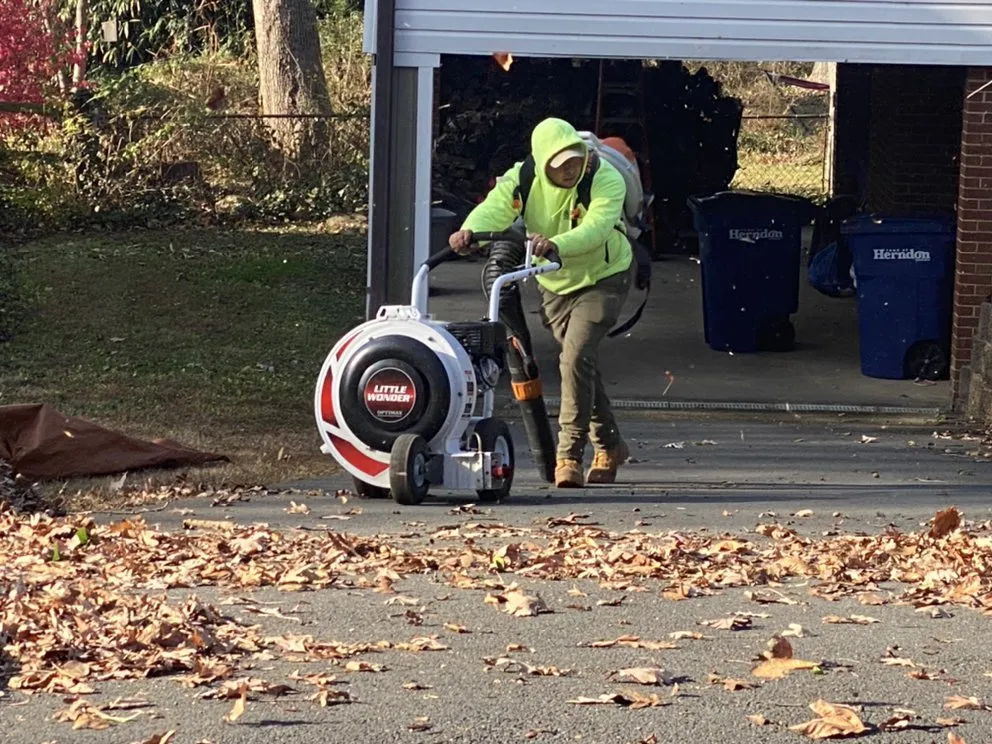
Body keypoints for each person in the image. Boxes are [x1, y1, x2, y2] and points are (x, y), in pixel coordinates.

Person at [449, 116, 633, 488]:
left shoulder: (604, 179)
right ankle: (610, 446)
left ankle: (568, 457)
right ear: (543, 161)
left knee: (575, 358)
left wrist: (557, 244)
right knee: (579, 366)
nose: (570, 169)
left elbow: (597, 229)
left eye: (575, 161)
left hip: (604, 276)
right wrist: (470, 230)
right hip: (554, 282)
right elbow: (496, 209)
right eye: (561, 164)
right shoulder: (523, 178)